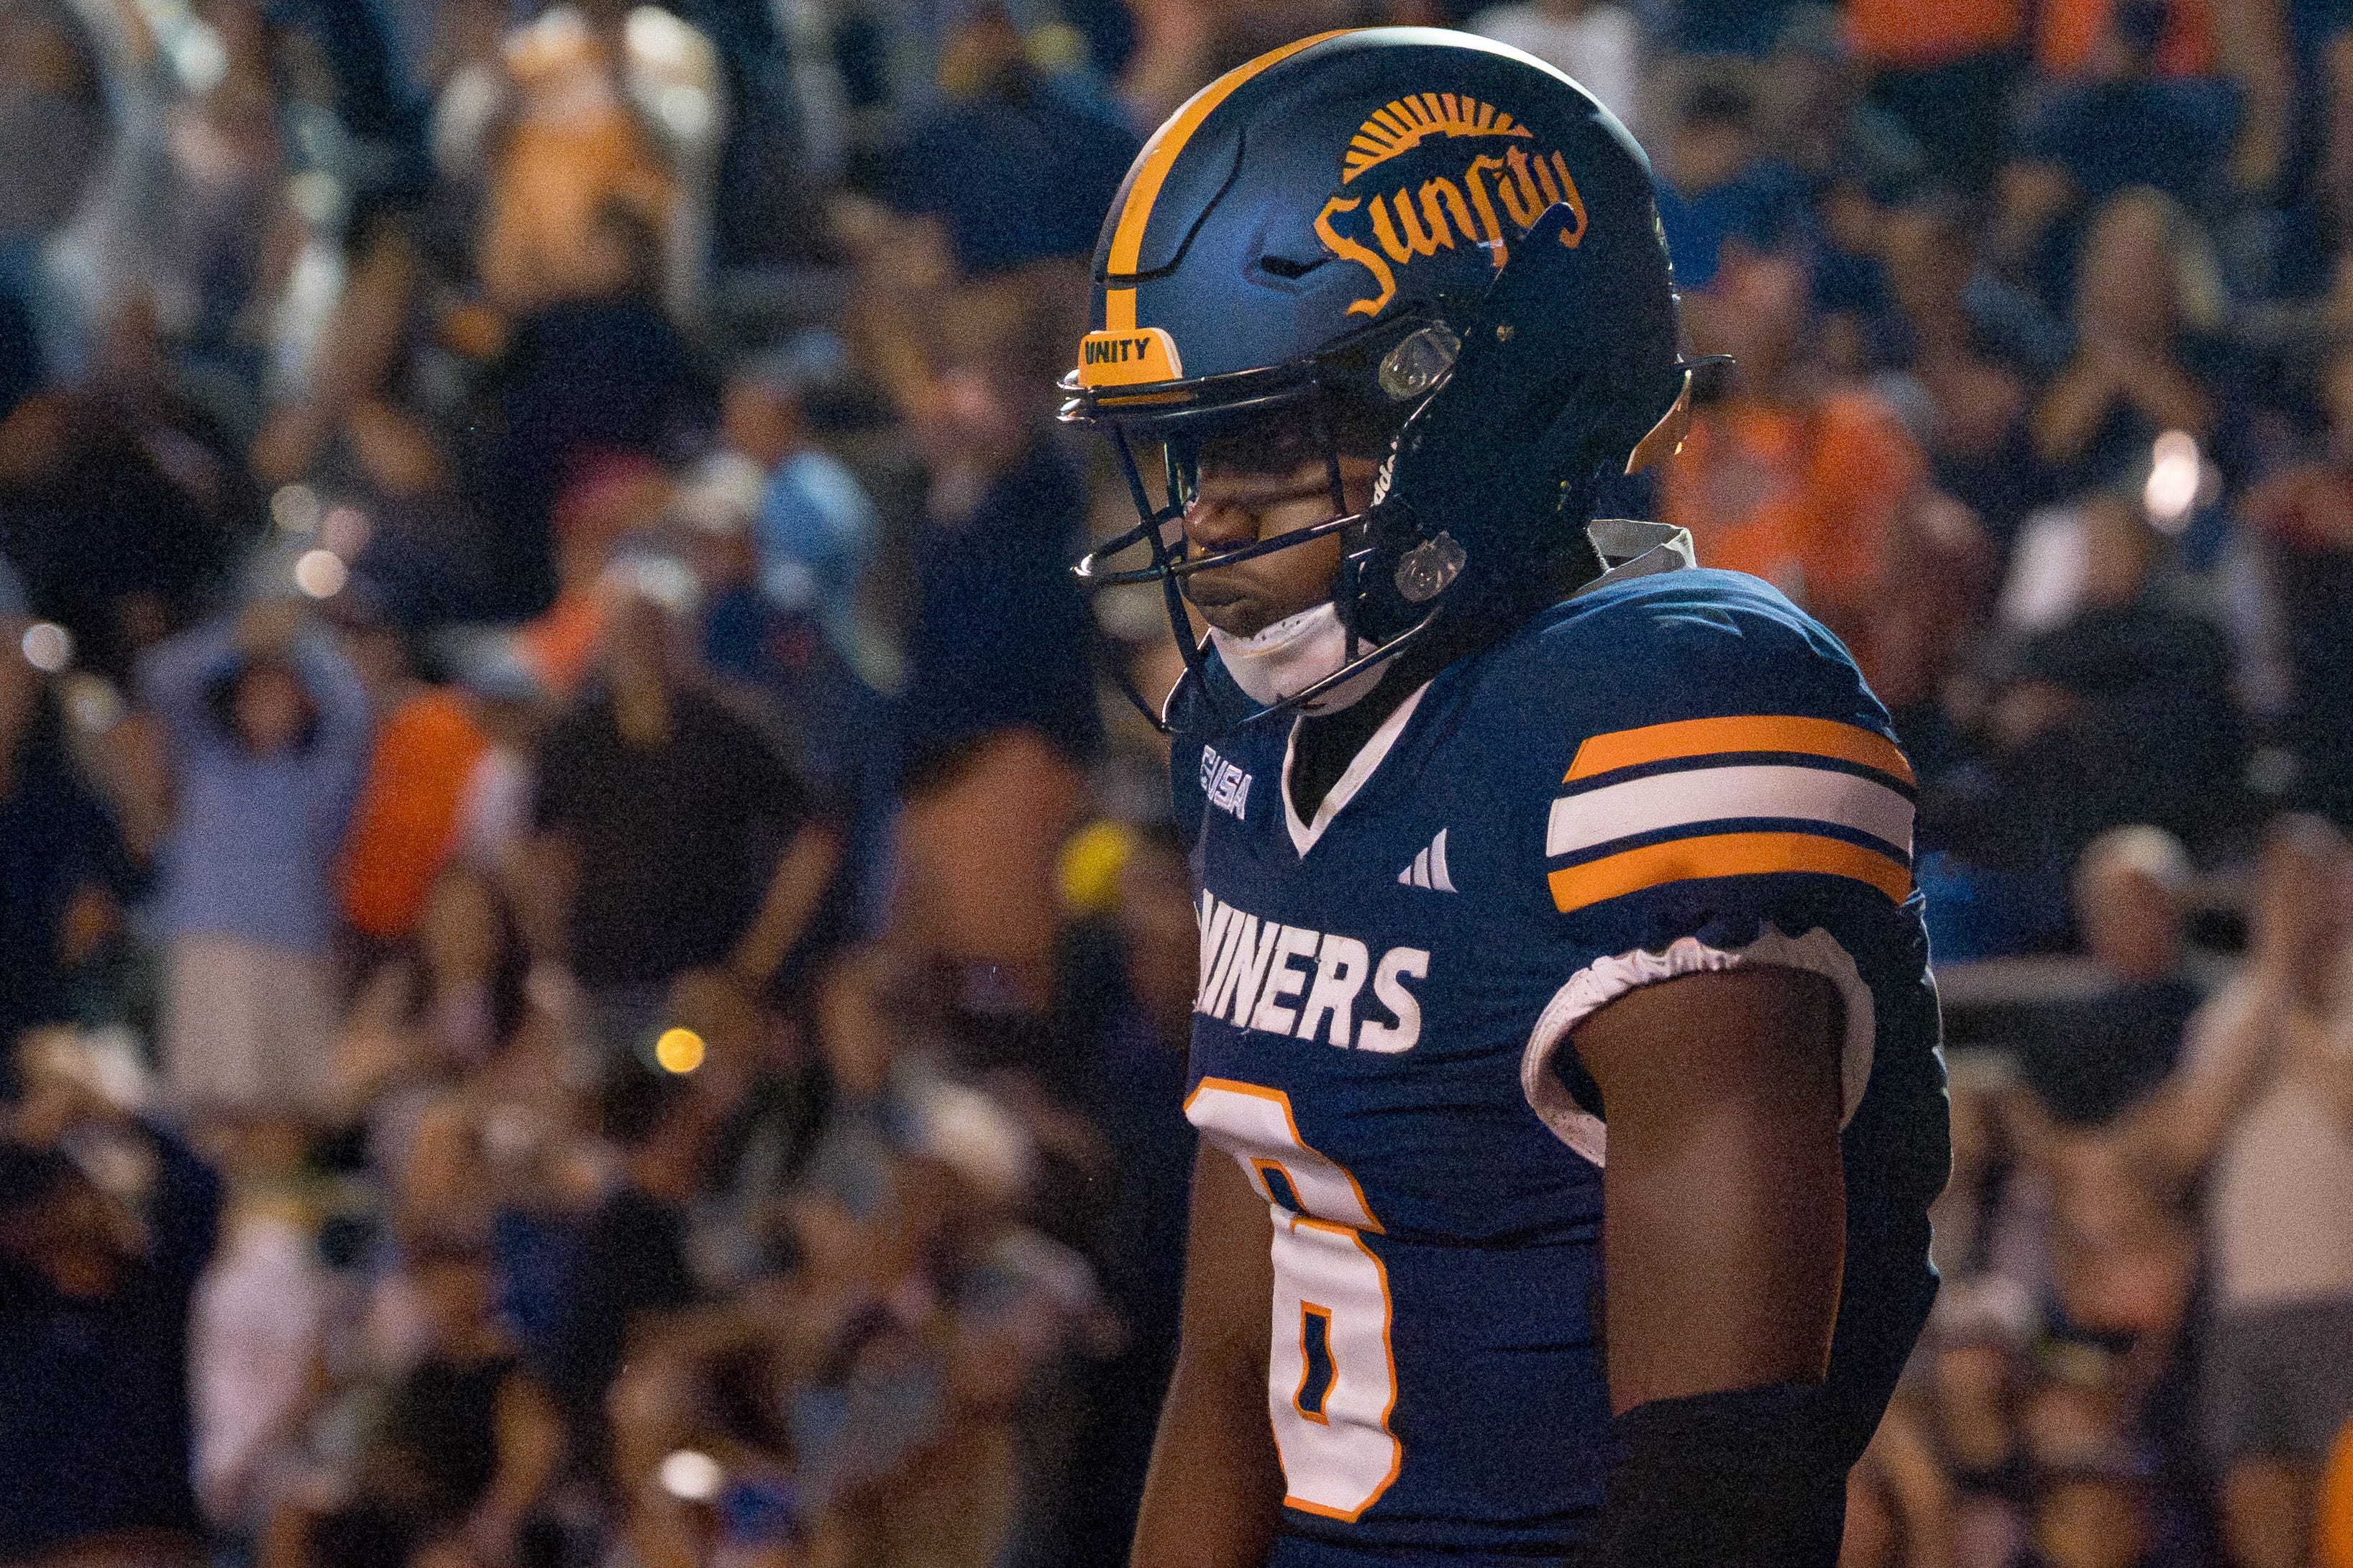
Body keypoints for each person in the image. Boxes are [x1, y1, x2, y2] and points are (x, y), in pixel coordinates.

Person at [1057, 29, 1948, 1568]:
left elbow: (1720, 1480)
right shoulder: (1250, 740)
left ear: (1481, 392)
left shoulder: (1659, 712)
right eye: (1192, 444)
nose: (1208, 508)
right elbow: (1227, 1368)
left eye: (1270, 429)